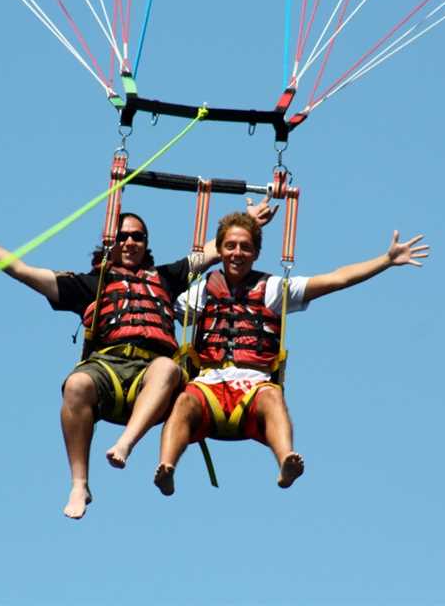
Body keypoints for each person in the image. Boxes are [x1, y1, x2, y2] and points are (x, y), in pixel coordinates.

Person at [0, 200, 275, 519]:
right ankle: (79, 484)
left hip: (151, 376)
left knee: (166, 368)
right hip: (107, 368)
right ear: (111, 243)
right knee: (77, 384)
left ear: (146, 244)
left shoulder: (166, 277)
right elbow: (23, 271)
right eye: (122, 236)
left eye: (137, 237)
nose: (130, 242)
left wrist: (249, 221)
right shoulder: (90, 286)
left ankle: (126, 443)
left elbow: (218, 250)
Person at [154, 212, 430, 496]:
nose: (238, 253)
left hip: (254, 390)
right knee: (184, 399)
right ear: (220, 250)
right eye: (231, 246)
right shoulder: (199, 292)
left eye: (246, 247)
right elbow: (156, 296)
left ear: (257, 253)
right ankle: (166, 467)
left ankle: (286, 460)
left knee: (273, 395)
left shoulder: (274, 290)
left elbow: (336, 279)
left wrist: (386, 260)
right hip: (208, 389)